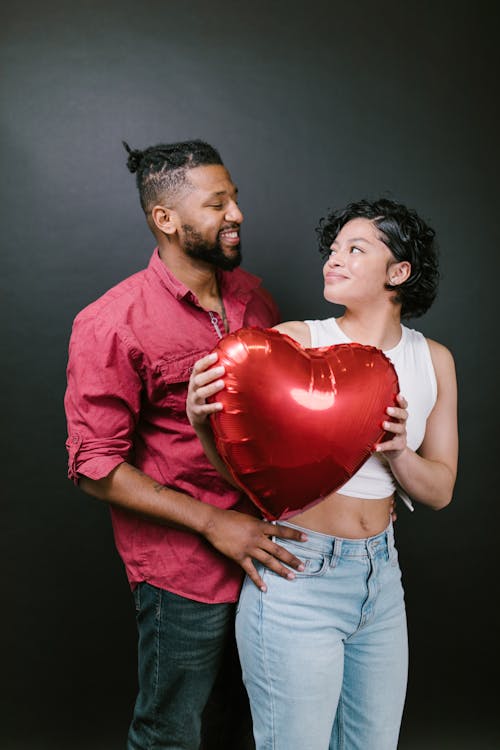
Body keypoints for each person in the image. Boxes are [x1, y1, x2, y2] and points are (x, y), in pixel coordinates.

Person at [186, 197, 458, 750]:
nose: (334, 260)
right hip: (298, 575)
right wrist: (199, 426)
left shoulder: (434, 360)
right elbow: (247, 472)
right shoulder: (293, 343)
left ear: (398, 273)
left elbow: (441, 490)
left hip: (380, 580)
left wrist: (400, 450)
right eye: (333, 250)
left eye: (355, 250)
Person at [64, 139, 309, 750]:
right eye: (217, 202)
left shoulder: (255, 298)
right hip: (182, 575)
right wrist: (211, 523)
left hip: (267, 557)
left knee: (241, 724)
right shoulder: (112, 322)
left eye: (236, 198)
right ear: (165, 219)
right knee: (170, 731)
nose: (237, 214)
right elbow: (93, 465)